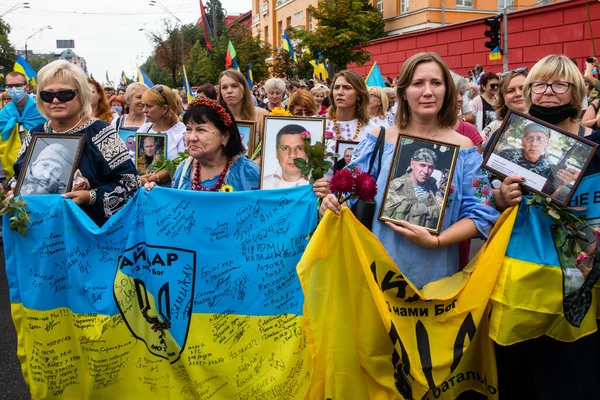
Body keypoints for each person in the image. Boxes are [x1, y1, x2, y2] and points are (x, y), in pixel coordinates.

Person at [320, 52, 499, 289]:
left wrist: (437, 240)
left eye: (436, 83)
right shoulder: (379, 139)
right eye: (418, 83)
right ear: (403, 91)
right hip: (378, 275)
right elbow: (346, 193)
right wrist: (331, 202)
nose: (428, 92)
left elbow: (481, 212)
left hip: (438, 277)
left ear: (447, 90)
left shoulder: (463, 148)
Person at [492, 54, 600, 400]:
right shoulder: (508, 140)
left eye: (559, 84)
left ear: (577, 91)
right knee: (517, 372)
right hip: (523, 277)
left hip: (580, 279)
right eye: (539, 84)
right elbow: (479, 200)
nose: (547, 92)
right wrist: (500, 197)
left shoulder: (596, 144)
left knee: (573, 372)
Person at [13, 60, 139, 226]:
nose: (55, 100)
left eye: (65, 94)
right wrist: (11, 190)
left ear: (81, 95)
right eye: (47, 95)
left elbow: (131, 184)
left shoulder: (101, 133)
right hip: (38, 232)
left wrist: (90, 197)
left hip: (87, 235)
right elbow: (19, 177)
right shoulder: (36, 133)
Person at [145, 97, 259, 192]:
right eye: (189, 129)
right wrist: (156, 194)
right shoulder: (184, 169)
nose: (192, 137)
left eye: (201, 130)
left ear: (225, 136)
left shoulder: (247, 172)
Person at [325, 70, 375, 177]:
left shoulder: (372, 130)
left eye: (347, 88)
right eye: (336, 87)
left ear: (359, 95)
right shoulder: (321, 125)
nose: (340, 92)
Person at [0, 71, 46, 181]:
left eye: (18, 85)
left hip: (39, 166)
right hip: (9, 169)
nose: (14, 89)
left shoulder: (41, 111)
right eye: (10, 86)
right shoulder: (3, 114)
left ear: (26, 87)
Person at [137, 84, 186, 185]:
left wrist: (156, 177)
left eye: (149, 106)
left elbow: (183, 163)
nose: (144, 110)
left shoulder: (182, 132)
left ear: (164, 108)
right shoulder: (144, 129)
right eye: (143, 105)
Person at [382, 148, 440, 229]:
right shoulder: (397, 185)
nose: (426, 171)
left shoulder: (432, 188)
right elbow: (385, 218)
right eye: (422, 165)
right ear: (412, 164)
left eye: (430, 167)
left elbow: (442, 211)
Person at [481, 67, 528, 147]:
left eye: (522, 88)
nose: (518, 94)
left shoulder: (546, 125)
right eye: (511, 90)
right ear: (503, 97)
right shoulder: (495, 126)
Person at [218, 69, 268, 135]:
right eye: (224, 87)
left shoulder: (261, 115)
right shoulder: (214, 117)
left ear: (244, 88)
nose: (229, 91)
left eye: (234, 86)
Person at [263, 124, 309, 189]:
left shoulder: (318, 186)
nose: (292, 155)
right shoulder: (263, 185)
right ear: (277, 153)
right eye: (285, 148)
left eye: (300, 148)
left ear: (308, 153)